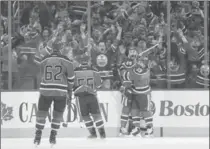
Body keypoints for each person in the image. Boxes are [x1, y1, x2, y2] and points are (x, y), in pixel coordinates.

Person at [33, 40, 75, 146]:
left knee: (41, 113)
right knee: (57, 114)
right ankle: (53, 135)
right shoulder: (67, 61)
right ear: (61, 49)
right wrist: (70, 91)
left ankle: (38, 135)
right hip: (60, 92)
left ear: (51, 48)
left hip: (46, 90)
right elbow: (71, 78)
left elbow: (38, 64)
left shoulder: (45, 59)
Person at [73, 55, 106, 139]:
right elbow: (99, 85)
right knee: (97, 115)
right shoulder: (94, 70)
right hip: (92, 96)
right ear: (88, 61)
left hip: (81, 98)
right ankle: (102, 134)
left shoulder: (75, 71)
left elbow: (71, 85)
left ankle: (93, 134)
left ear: (80, 61)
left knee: (85, 116)